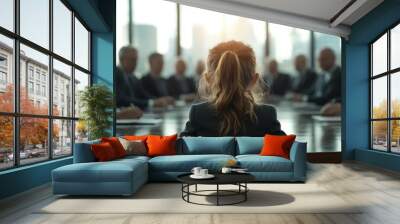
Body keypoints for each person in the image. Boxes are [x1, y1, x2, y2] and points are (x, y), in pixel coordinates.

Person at [180, 40, 285, 137]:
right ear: (254, 80)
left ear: (207, 79)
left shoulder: (198, 115)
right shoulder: (267, 116)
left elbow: (180, 149)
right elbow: (287, 150)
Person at [115, 46, 170, 111]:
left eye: (136, 60)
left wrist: (157, 100)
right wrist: (151, 103)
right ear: (121, 59)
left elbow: (143, 95)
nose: (135, 63)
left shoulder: (134, 77)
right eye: (132, 60)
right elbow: (121, 99)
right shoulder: (115, 74)